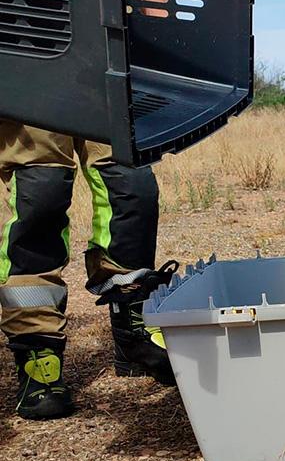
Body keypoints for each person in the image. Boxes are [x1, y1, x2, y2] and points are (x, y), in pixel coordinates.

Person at [0, 122, 178, 420]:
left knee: (133, 187)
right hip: (31, 80)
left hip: (99, 77)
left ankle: (132, 330)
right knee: (42, 191)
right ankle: (37, 352)